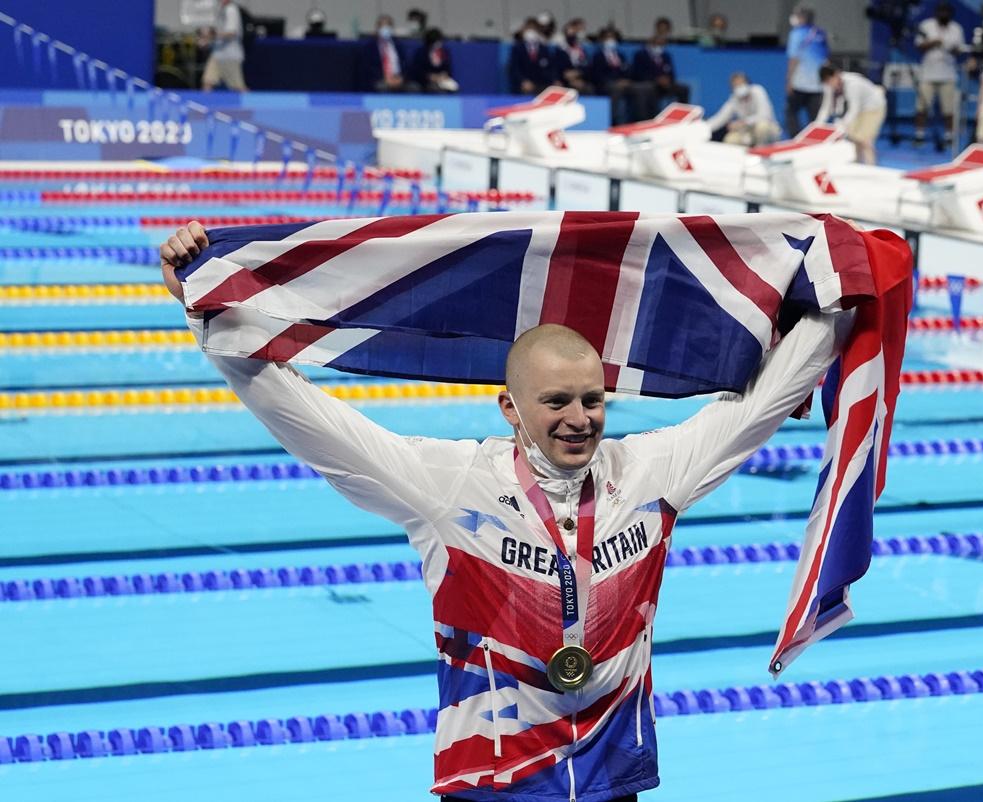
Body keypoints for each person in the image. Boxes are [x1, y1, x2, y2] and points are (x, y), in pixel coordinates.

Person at [158, 220, 842, 802]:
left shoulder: (650, 474)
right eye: (556, 403)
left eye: (592, 399)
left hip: (618, 782)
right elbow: (308, 419)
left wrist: (839, 298)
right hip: (495, 786)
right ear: (511, 409)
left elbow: (761, 405)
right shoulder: (450, 486)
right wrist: (212, 309)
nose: (579, 420)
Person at [914, 2, 965, 149]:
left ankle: (949, 136)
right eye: (941, 12)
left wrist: (952, 49)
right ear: (936, 13)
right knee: (921, 107)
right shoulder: (926, 26)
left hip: (948, 74)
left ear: (950, 14)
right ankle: (919, 135)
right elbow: (918, 45)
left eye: (946, 12)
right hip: (927, 74)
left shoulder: (956, 28)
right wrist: (933, 43)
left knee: (948, 109)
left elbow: (960, 50)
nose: (943, 15)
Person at [816, 64, 886, 165]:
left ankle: (871, 166)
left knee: (865, 140)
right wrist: (818, 124)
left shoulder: (853, 84)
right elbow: (826, 107)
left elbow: (854, 109)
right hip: (860, 108)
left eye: (829, 80)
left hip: (873, 107)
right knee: (854, 138)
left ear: (836, 75)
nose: (829, 84)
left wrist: (842, 125)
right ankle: (857, 164)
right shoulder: (829, 86)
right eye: (826, 82)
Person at [784, 7, 829, 137]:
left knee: (791, 111)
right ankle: (814, 144)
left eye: (796, 16)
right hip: (818, 84)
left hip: (800, 83)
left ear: (802, 18)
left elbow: (794, 59)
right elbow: (826, 57)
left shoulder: (797, 34)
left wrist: (789, 80)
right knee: (815, 118)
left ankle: (795, 139)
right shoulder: (820, 33)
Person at [706, 72, 781, 146]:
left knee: (762, 127)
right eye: (736, 86)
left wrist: (743, 122)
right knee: (731, 139)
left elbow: (764, 115)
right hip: (749, 132)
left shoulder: (758, 91)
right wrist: (703, 127)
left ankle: (763, 153)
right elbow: (720, 118)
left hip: (769, 129)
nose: (739, 87)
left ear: (747, 83)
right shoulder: (734, 100)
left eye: (741, 84)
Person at [590, 28, 645, 125]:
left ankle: (641, 120)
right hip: (607, 84)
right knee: (615, 89)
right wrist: (615, 82)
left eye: (613, 37)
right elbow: (597, 74)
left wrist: (627, 80)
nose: (611, 40)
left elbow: (627, 69)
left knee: (641, 89)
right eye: (607, 37)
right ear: (602, 40)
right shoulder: (597, 56)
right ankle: (613, 122)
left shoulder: (620, 55)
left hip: (623, 83)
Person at [631, 34, 689, 120]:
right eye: (657, 44)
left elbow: (671, 73)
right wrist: (656, 80)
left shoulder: (666, 55)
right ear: (651, 43)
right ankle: (650, 119)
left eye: (662, 45)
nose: (659, 47)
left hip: (666, 84)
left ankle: (681, 118)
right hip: (651, 82)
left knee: (684, 88)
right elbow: (638, 73)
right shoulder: (640, 55)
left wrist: (668, 80)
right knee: (650, 89)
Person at [361, 14, 420, 94]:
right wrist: (385, 78)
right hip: (381, 79)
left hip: (399, 79)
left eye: (388, 25)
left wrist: (401, 78)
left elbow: (405, 64)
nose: (385, 29)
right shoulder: (370, 47)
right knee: (381, 87)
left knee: (414, 87)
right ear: (377, 28)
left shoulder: (398, 45)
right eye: (383, 26)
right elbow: (369, 68)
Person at [201, 0, 246, 92]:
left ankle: (253, 104)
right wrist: (207, 40)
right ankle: (206, 104)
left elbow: (231, 33)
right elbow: (217, 31)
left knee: (238, 87)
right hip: (217, 54)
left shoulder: (231, 9)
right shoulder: (220, 9)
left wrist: (211, 35)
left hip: (229, 55)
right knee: (207, 82)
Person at [508, 19, 558, 95]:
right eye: (528, 29)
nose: (531, 32)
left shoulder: (544, 48)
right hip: (523, 84)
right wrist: (523, 81)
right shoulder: (517, 48)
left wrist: (554, 80)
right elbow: (514, 68)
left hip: (541, 83)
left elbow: (550, 67)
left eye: (534, 29)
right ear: (523, 30)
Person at [412, 28, 458, 93]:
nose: (438, 44)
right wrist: (430, 77)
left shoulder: (444, 52)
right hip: (425, 81)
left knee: (453, 87)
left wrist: (444, 75)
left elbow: (448, 69)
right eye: (435, 42)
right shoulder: (421, 52)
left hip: (441, 80)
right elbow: (417, 71)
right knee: (434, 88)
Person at [555, 18, 592, 95]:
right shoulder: (561, 49)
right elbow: (558, 67)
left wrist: (578, 73)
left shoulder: (582, 48)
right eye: (570, 32)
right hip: (565, 79)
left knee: (588, 87)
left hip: (580, 77)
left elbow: (587, 66)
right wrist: (568, 78)